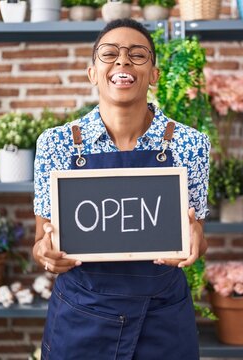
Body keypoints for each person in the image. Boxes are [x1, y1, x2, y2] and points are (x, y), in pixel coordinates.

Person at [32, 18, 210, 360]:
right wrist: (45, 253)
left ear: (155, 74)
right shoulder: (56, 144)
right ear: (92, 72)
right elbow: (42, 240)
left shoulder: (192, 144)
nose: (123, 61)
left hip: (163, 321)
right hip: (81, 318)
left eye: (138, 54)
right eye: (109, 53)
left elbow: (197, 234)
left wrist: (195, 243)